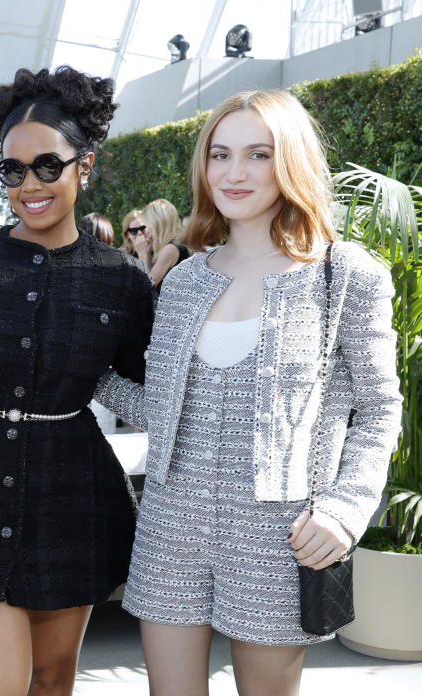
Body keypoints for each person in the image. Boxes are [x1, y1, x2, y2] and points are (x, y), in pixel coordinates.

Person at [95, 89, 402, 695]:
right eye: (220, 154)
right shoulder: (184, 280)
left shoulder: (345, 275)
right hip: (170, 521)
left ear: (290, 162)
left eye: (258, 154)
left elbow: (378, 407)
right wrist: (86, 375)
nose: (234, 173)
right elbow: (166, 409)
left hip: (278, 531)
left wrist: (345, 510)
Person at [0, 66, 153, 696]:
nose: (28, 184)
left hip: (73, 497)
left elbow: (145, 389)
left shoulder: (122, 279)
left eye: (47, 166)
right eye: (12, 170)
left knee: (52, 680)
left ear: (84, 165)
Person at [132, 198, 190, 287]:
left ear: (158, 224)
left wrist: (142, 253)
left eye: (147, 225)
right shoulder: (170, 246)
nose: (146, 231)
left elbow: (147, 285)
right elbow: (150, 273)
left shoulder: (171, 248)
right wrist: (147, 254)